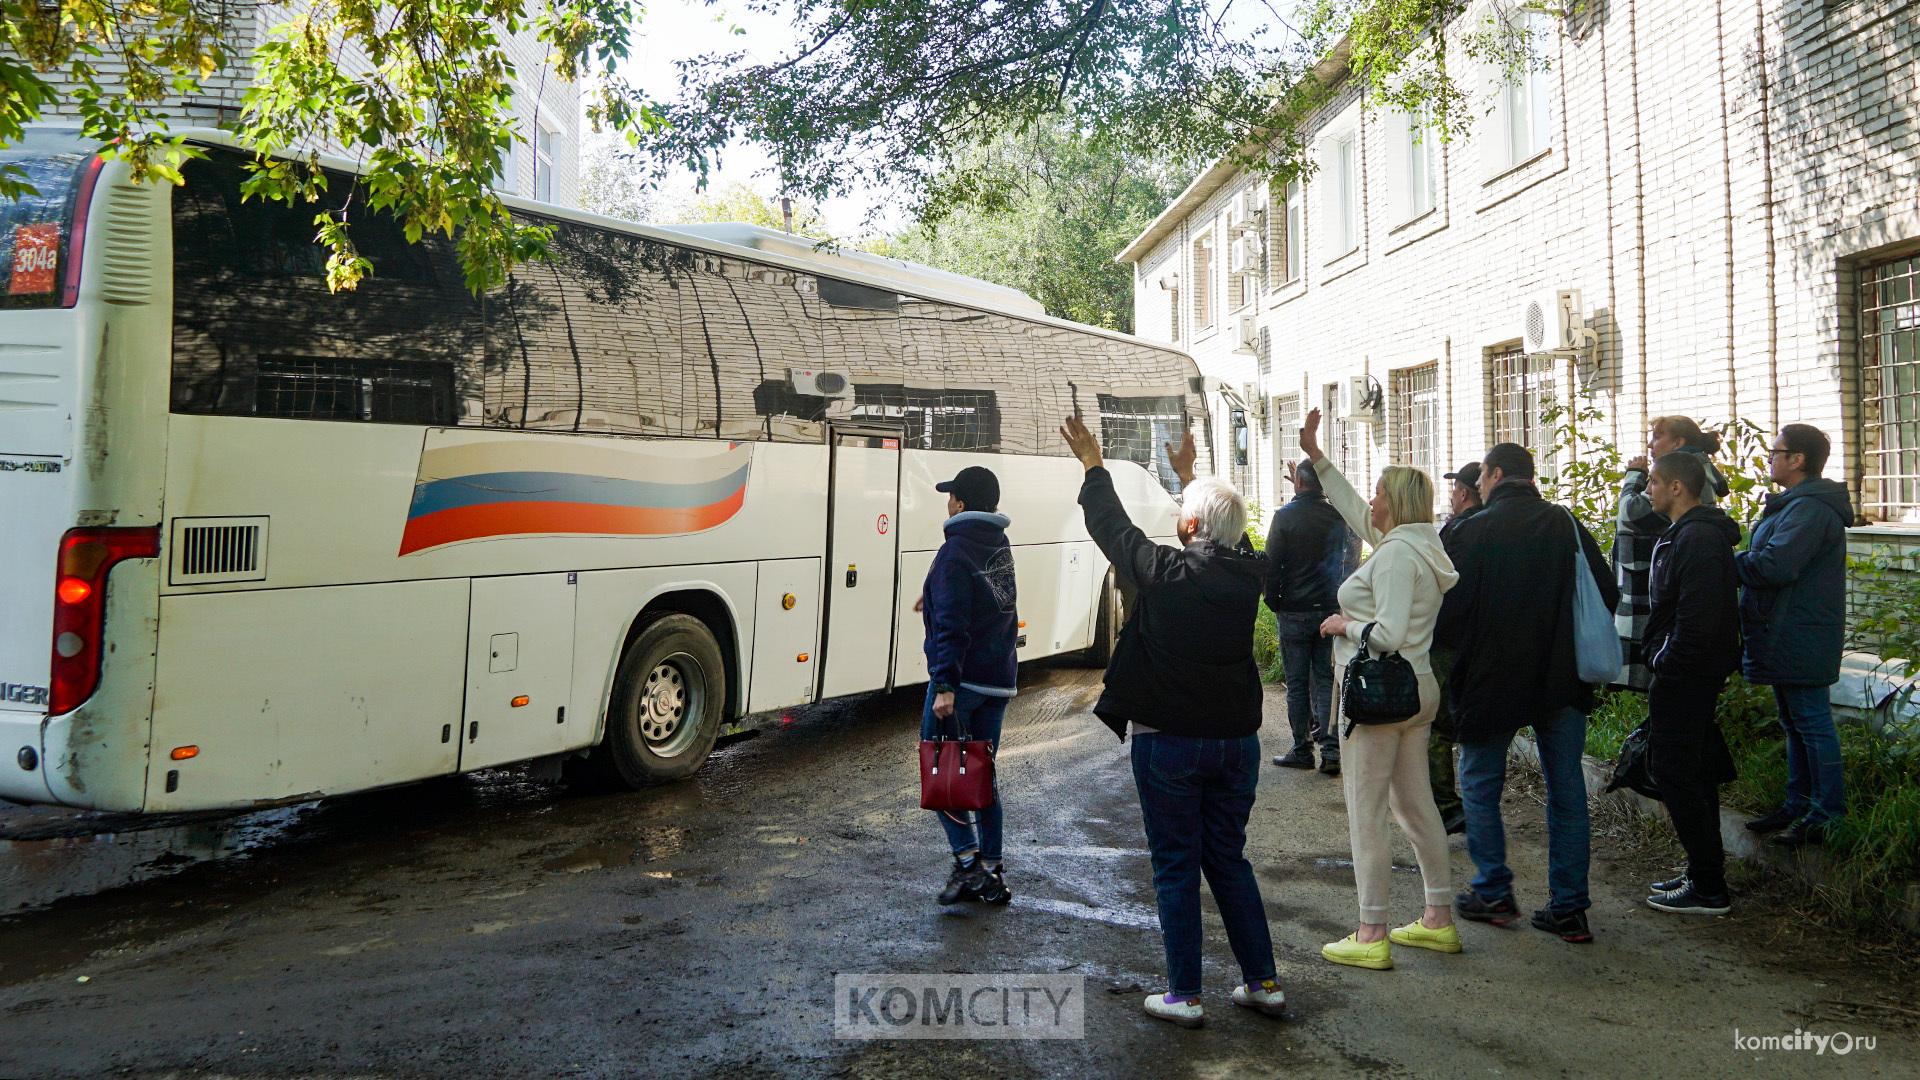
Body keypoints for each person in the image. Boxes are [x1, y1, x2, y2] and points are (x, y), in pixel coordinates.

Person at [1058, 411, 1285, 1029]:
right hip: (1237, 744)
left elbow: (1111, 527)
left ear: (1186, 525)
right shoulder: (1247, 578)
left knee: (1176, 864)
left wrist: (1094, 466)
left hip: (1171, 746)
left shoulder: (1163, 575)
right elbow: (1223, 529)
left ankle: (1185, 992)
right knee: (1227, 859)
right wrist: (1193, 476)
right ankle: (1262, 982)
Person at [1297, 409, 1462, 970]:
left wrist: (1344, 625)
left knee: (1365, 811)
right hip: (1416, 692)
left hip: (1379, 691)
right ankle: (1438, 918)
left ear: (1397, 502)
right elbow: (1352, 508)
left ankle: (1371, 932)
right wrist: (1317, 458)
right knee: (1416, 807)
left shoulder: (1393, 558)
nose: (1371, 501)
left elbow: (1386, 635)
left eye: (1378, 494)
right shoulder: (1419, 545)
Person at [1437, 443, 1620, 944]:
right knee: (1566, 791)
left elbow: (1446, 616)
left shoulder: (1472, 531)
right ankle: (1569, 908)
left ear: (1493, 476)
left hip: (1491, 681)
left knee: (1477, 783)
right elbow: (1606, 592)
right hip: (1562, 679)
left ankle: (1494, 890)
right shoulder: (1565, 524)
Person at [1737, 424, 1851, 847]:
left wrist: (1725, 562)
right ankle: (1798, 804)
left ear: (1797, 459)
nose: (1770, 458)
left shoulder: (1809, 510)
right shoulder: (1795, 505)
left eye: (1775, 451)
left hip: (1800, 630)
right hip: (1787, 629)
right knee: (1795, 721)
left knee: (1812, 722)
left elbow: (1774, 567)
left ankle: (1825, 814)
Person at [1640, 451, 1743, 915]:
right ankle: (1704, 874)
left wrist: (1666, 662)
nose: (1647, 490)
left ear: (1677, 487)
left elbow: (1698, 618)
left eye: (1653, 482)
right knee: (1693, 774)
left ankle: (1708, 885)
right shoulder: (1688, 533)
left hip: (1686, 676)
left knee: (1677, 773)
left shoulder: (1699, 537)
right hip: (1688, 673)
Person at [919, 465, 1020, 906]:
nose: (947, 502)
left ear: (960, 504)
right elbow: (989, 604)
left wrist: (944, 685)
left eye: (951, 496)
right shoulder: (998, 545)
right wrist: (936, 594)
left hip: (962, 685)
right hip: (998, 680)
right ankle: (991, 869)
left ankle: (967, 864)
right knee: (980, 772)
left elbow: (953, 627)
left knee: (941, 769)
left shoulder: (955, 551)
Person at [1616, 417, 1731, 690]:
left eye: (1657, 436)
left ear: (1678, 443)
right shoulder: (1691, 471)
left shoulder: (1679, 478)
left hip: (1669, 622)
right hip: (1665, 613)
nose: (1650, 444)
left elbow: (1631, 515)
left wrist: (1634, 476)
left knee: (1674, 699)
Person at [1263, 457, 1360, 775]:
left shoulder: (1285, 517)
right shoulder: (1339, 516)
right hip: (1330, 611)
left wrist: (1274, 600)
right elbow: (1351, 557)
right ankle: (1331, 752)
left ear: (1298, 482)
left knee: (1296, 682)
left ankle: (1301, 749)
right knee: (1326, 680)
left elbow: (1272, 563)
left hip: (1293, 610)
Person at [1428, 462, 1486, 834]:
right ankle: (1476, 805)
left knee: (1437, 728)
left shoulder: (1459, 529)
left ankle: (1447, 807)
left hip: (1449, 643)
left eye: (1454, 489)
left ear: (1463, 493)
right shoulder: (1500, 526)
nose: (1451, 495)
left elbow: (1444, 588)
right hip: (1486, 642)